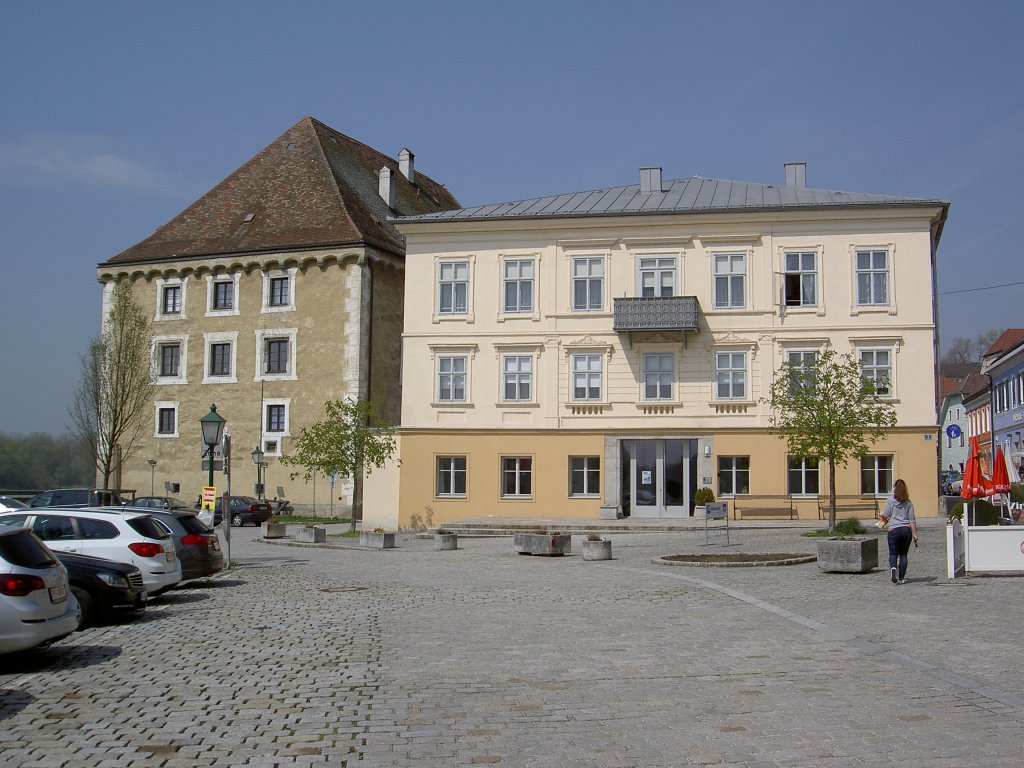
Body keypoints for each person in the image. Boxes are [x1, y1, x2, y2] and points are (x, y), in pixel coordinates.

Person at [879, 479, 917, 585]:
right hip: (906, 530)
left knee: (893, 553)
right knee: (903, 554)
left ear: (895, 487)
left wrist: (881, 518)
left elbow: (885, 514)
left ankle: (893, 568)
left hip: (893, 530)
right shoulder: (908, 502)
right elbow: (912, 520)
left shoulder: (890, 500)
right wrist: (915, 534)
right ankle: (901, 578)